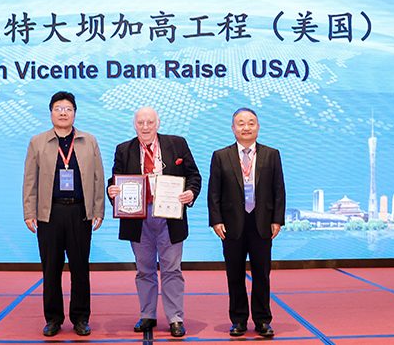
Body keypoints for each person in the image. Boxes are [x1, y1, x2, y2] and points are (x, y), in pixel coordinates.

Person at [107, 107, 201, 337]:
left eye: (150, 122)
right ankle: (147, 315)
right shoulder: (124, 149)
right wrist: (112, 190)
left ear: (158, 123)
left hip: (170, 217)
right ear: (135, 125)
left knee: (171, 269)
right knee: (144, 270)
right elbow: (115, 179)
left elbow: (194, 176)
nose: (146, 126)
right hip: (138, 219)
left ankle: (175, 318)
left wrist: (190, 193)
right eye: (141, 122)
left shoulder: (177, 144)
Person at [23, 91, 105, 337]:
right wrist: (29, 211)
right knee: (51, 269)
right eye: (58, 108)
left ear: (75, 113)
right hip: (50, 213)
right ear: (50, 113)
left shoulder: (89, 141)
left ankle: (81, 318)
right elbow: (30, 181)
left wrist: (98, 209)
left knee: (80, 267)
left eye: (68, 108)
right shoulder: (37, 142)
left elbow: (98, 178)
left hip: (80, 212)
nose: (63, 112)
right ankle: (53, 319)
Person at [207, 108, 286, 338]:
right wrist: (216, 220)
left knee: (262, 274)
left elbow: (279, 190)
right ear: (233, 128)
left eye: (251, 123)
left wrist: (277, 219)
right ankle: (239, 320)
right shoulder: (221, 155)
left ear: (258, 127)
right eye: (241, 123)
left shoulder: (272, 154)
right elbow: (214, 192)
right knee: (235, 274)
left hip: (262, 223)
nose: (246, 127)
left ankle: (262, 320)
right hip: (232, 224)